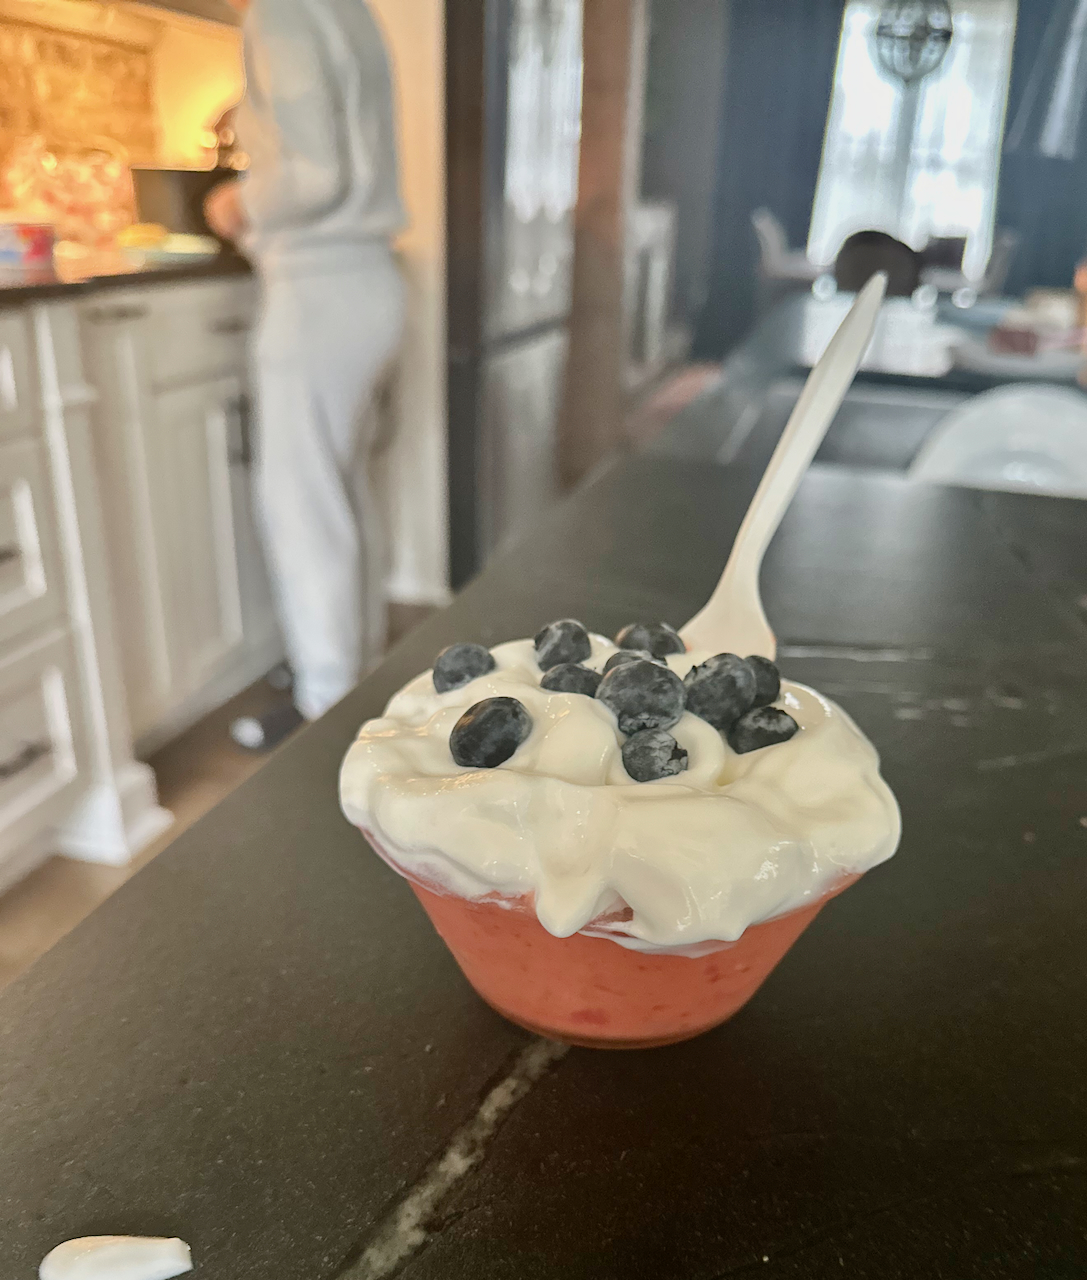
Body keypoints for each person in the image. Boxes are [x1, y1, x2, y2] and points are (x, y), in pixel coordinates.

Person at [205, 0, 406, 749]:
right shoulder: (347, 9)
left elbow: (315, 175)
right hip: (370, 281)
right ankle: (359, 683)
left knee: (304, 510)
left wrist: (236, 199)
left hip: (319, 287)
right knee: (341, 494)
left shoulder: (281, 12)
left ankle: (327, 717)